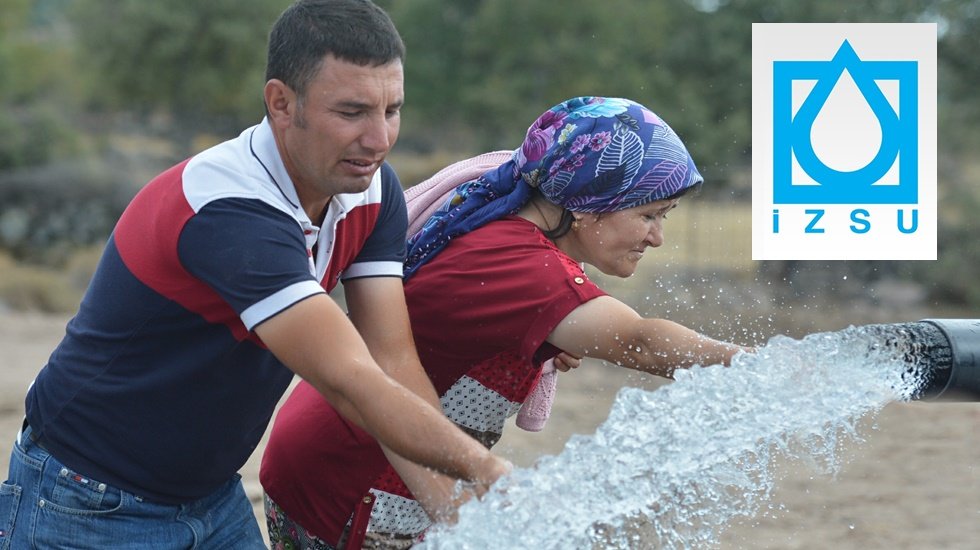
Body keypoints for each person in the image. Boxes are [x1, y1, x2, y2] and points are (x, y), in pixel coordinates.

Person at [0, 1, 510, 547]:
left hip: (213, 496)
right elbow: (350, 383)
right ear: (281, 103)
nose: (379, 139)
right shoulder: (229, 208)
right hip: (88, 498)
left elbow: (393, 362)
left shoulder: (371, 189)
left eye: (391, 110)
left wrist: (456, 514)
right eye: (352, 112)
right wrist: (493, 475)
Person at [260, 96, 753, 549]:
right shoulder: (523, 267)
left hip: (338, 454)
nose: (658, 237)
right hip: (353, 484)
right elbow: (638, 342)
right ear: (588, 204)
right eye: (649, 215)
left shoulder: (504, 227)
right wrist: (758, 369)